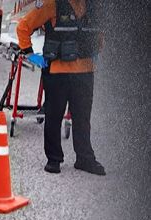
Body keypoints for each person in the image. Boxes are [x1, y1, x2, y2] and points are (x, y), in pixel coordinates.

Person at [17, 0, 104, 175]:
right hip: (58, 72)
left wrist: (96, 50)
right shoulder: (52, 4)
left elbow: (100, 34)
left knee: (82, 118)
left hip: (85, 72)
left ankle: (84, 159)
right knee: (53, 117)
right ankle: (54, 159)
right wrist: (28, 52)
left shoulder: (93, 7)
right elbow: (23, 26)